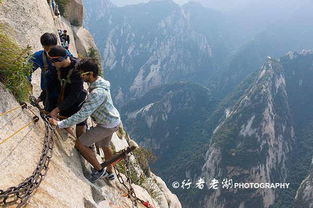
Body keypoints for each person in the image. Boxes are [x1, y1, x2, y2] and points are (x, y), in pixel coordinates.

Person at [48, 58, 121, 182]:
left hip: (106, 125)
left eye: (82, 74)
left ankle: (99, 170)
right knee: (105, 145)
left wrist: (59, 124)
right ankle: (110, 171)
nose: (80, 77)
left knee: (80, 144)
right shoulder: (100, 82)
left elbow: (82, 115)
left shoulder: (97, 93)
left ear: (90, 74)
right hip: (112, 120)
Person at [47, 46, 87, 138]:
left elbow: (75, 95)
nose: (52, 64)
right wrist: (42, 97)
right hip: (64, 98)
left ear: (61, 59)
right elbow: (52, 84)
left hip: (77, 102)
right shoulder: (57, 68)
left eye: (53, 61)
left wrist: (57, 109)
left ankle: (82, 144)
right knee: (65, 124)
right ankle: (73, 140)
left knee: (80, 131)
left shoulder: (77, 70)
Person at [29, 33, 72, 111]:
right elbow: (27, 69)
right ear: (43, 46)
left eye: (52, 49)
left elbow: (73, 69)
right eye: (47, 49)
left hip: (64, 92)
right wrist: (28, 84)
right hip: (48, 93)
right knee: (49, 113)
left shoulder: (64, 54)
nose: (50, 53)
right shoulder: (39, 57)